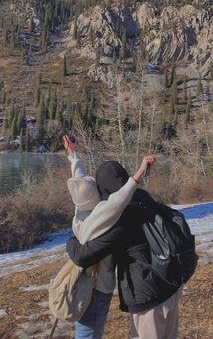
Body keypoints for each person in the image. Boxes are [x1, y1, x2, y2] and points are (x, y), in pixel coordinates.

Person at [67, 159, 183, 339]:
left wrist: (72, 241)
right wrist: (73, 157)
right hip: (171, 282)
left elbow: (83, 256)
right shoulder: (142, 197)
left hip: (149, 294)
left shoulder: (120, 219)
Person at [63, 135, 155, 339]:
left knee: (84, 330)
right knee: (89, 332)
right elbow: (119, 200)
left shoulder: (81, 210)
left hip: (82, 282)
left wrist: (73, 155)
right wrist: (139, 173)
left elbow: (80, 182)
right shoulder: (101, 214)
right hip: (98, 286)